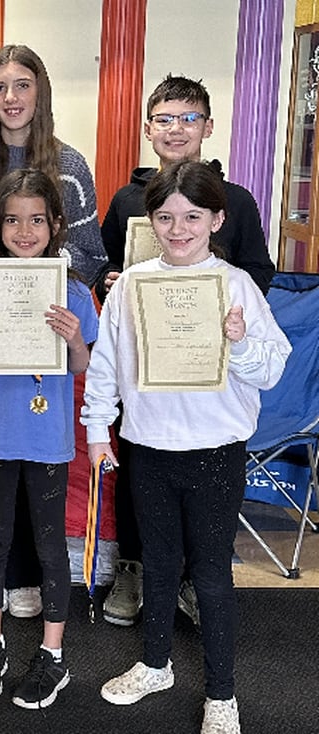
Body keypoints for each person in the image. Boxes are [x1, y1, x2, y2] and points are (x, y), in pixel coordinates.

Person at [81, 161, 290, 734]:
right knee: (158, 564)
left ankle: (222, 694)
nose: (178, 229)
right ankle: (155, 664)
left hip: (216, 452)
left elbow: (273, 369)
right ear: (150, 221)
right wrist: (98, 432)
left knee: (211, 574)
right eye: (166, 217)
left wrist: (240, 344)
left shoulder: (236, 284)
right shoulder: (131, 287)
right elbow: (106, 368)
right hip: (147, 447)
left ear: (217, 219)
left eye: (192, 217)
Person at [96, 75, 276, 628]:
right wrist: (113, 283)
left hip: (211, 370)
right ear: (149, 129)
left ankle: (200, 580)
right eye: (165, 119)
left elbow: (257, 272)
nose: (176, 129)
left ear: (208, 127)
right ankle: (134, 567)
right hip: (148, 371)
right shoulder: (130, 199)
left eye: (188, 118)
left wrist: (219, 314)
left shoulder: (236, 201)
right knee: (140, 465)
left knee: (205, 490)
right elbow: (105, 262)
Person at [0, 44, 107, 618]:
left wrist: (42, 291)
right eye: (0, 87)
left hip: (46, 339)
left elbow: (89, 254)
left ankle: (36, 577)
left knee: (38, 471)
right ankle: (2, 579)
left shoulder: (72, 165)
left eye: (23, 85)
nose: (11, 98)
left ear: (41, 92)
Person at [0, 169, 97, 708]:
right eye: (11, 220)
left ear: (55, 224)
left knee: (48, 545)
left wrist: (70, 340)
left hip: (48, 440)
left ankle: (53, 654)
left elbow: (83, 364)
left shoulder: (74, 292)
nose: (24, 230)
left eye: (36, 219)